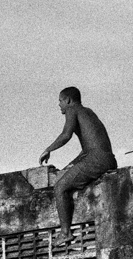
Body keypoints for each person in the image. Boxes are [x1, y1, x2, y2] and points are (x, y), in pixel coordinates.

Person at [37, 85, 117, 238]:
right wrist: (70, 165)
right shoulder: (88, 112)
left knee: (60, 188)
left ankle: (65, 233)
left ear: (68, 100)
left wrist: (48, 149)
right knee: (72, 184)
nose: (59, 104)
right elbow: (88, 149)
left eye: (60, 101)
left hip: (97, 159)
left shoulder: (72, 110)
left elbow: (66, 135)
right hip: (107, 159)